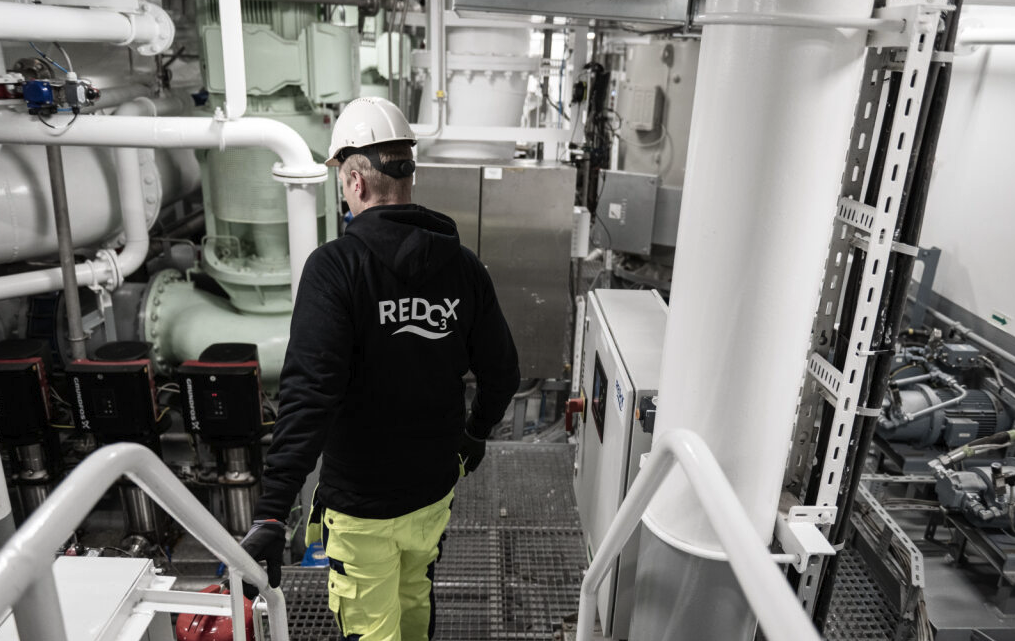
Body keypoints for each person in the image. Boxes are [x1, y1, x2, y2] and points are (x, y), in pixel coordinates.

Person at [239, 96, 520, 641]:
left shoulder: (335, 268)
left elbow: (309, 394)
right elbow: (502, 371)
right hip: (433, 490)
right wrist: (476, 433)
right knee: (415, 602)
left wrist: (273, 511)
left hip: (362, 505)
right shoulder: (462, 267)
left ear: (355, 182)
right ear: (408, 177)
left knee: (371, 628)